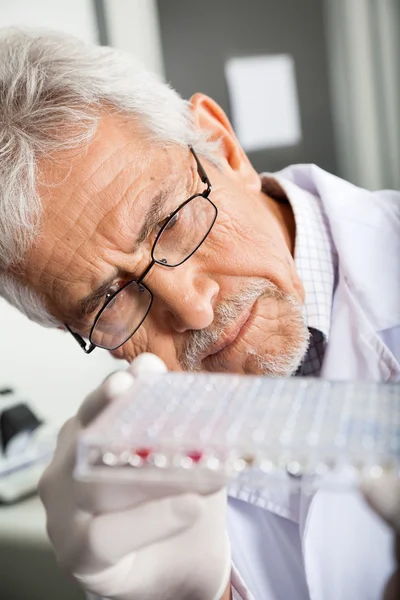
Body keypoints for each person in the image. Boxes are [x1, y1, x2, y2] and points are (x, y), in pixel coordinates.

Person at [0, 28, 398, 600]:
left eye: (174, 221)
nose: (190, 307)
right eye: (112, 300)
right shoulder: (132, 504)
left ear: (224, 146)